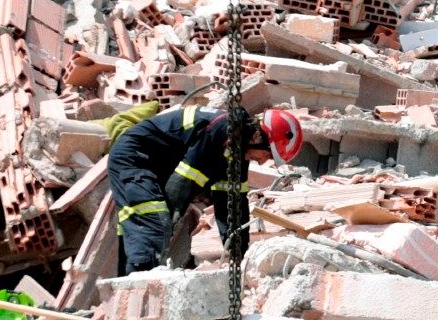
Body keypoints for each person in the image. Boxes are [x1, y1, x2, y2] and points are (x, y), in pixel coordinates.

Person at [108, 104, 303, 275]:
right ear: (257, 136)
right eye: (267, 154)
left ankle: (126, 288)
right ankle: (138, 290)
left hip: (158, 163)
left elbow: (233, 206)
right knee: (152, 220)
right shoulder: (222, 128)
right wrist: (169, 225)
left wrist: (238, 256)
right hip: (135, 157)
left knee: (143, 228)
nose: (261, 161)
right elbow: (181, 186)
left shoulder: (237, 149)